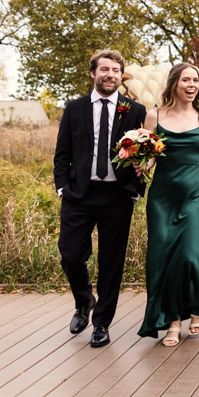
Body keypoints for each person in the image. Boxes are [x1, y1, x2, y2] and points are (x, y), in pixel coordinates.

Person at [54, 50, 147, 347]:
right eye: (104, 69)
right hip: (78, 194)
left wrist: (135, 186)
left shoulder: (135, 110)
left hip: (117, 195)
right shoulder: (74, 108)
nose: (110, 75)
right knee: (70, 254)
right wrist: (62, 187)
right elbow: (62, 153)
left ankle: (101, 323)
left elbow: (147, 152)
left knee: (111, 262)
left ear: (121, 76)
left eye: (116, 70)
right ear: (92, 73)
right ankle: (84, 301)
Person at [136, 63, 199, 345]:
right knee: (163, 259)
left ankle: (198, 305)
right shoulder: (154, 115)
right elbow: (152, 153)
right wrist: (143, 163)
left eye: (195, 80)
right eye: (185, 80)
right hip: (162, 198)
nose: (192, 85)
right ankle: (173, 322)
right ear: (174, 83)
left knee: (190, 254)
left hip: (194, 195)